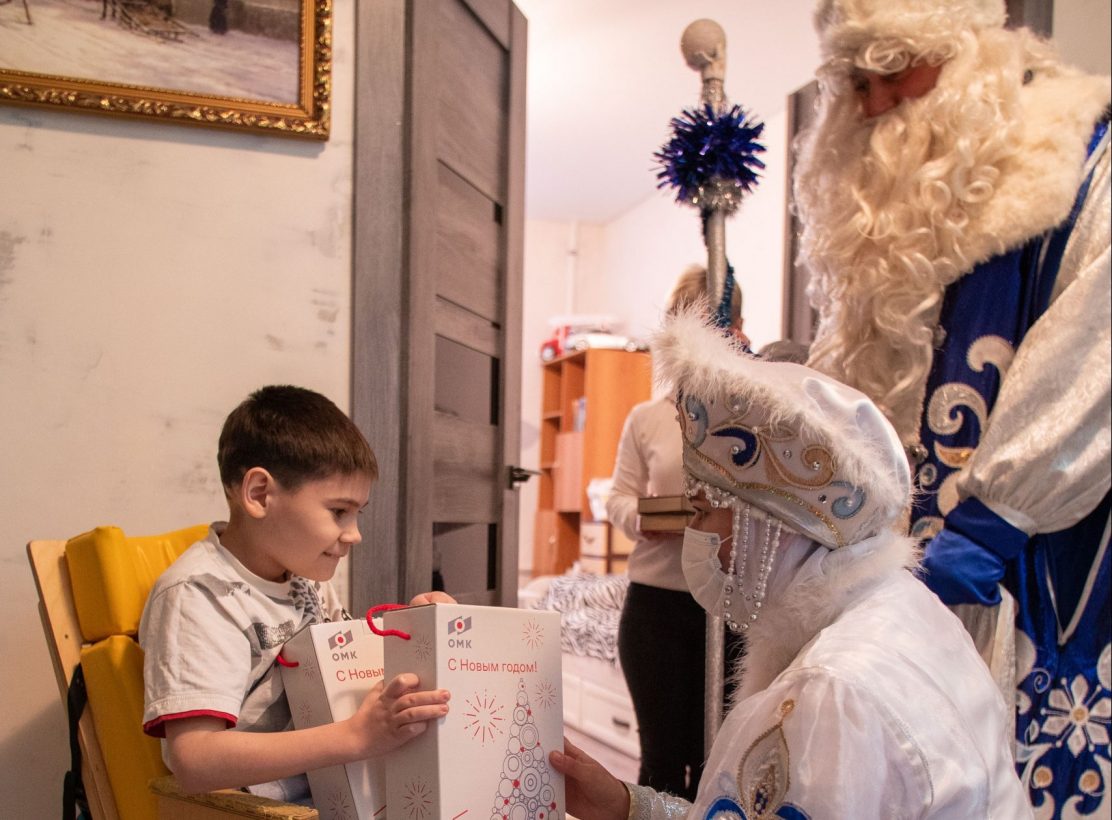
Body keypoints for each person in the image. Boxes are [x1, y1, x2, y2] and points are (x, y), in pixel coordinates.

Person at [792, 1, 1110, 812]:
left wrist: (994, 518)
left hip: (1028, 571)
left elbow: (1096, 354)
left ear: (965, 59)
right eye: (855, 84)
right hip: (890, 588)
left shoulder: (1085, 161)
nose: (870, 108)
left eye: (893, 74)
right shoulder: (886, 223)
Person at [552, 310, 1031, 819]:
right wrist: (629, 806)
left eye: (705, 509)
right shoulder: (908, 609)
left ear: (765, 524)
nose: (697, 534)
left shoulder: (832, 694)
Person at [139, 385, 452, 802]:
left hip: (337, 790)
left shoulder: (306, 579)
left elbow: (344, 668)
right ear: (259, 495)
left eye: (358, 513)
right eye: (338, 511)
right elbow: (194, 760)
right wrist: (354, 738)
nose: (354, 534)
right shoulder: (199, 595)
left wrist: (418, 629)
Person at [606, 265, 746, 798]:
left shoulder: (756, 418)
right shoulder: (648, 419)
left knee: (722, 760)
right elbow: (617, 499)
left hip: (734, 611)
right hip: (658, 609)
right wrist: (651, 519)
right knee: (662, 763)